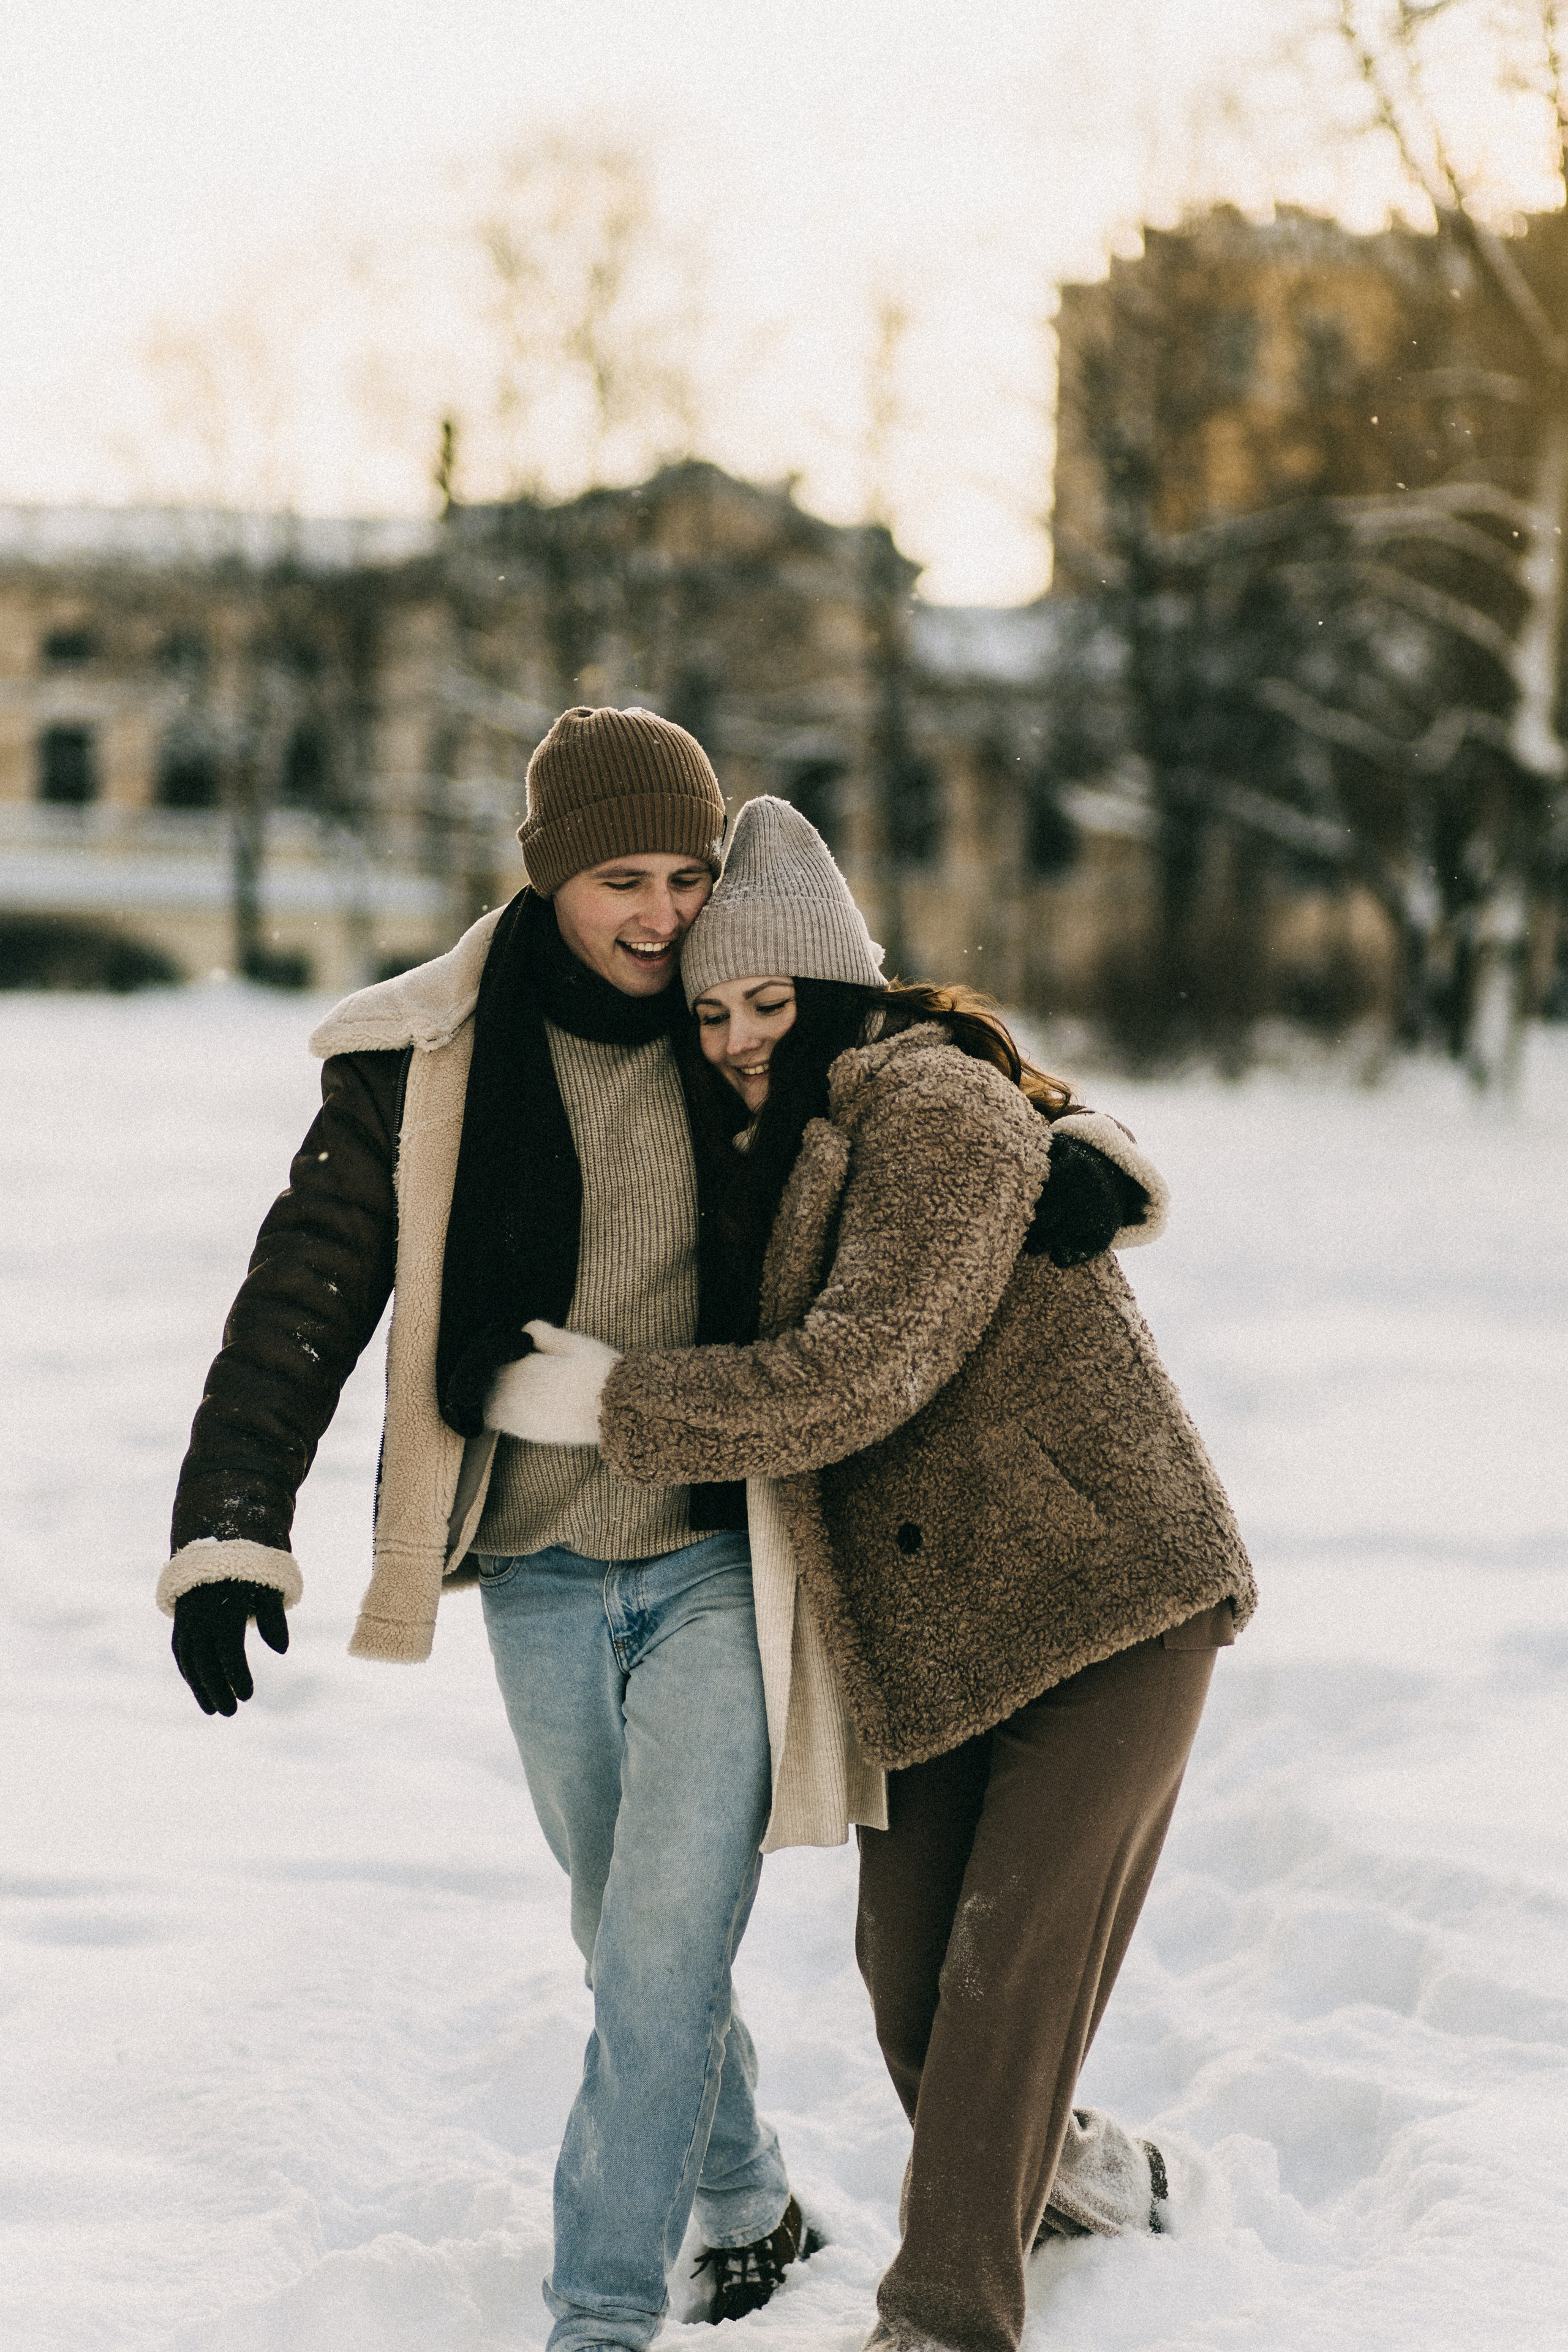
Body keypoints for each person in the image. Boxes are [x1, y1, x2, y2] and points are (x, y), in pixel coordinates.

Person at [157, 718, 1146, 2352]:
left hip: (723, 1559)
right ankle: (747, 2207)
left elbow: (925, 1065)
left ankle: (600, 2318)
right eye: (624, 881)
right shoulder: (431, 1058)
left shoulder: (736, 1024)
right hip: (534, 1569)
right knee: (627, 1938)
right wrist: (230, 1519)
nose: (665, 916)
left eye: (689, 879)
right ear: (547, 879)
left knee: (664, 1952)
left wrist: (1068, 1148)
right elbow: (308, 1285)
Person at [494, 795, 1257, 2352]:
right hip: (943, 1645)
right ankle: (1095, 2174)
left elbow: (860, 1367)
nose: (734, 1038)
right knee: (911, 1989)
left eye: (767, 1001)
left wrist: (612, 1405)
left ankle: (944, 2320)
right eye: (708, 1011)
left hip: (1106, 1600)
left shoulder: (927, 1101)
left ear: (840, 985)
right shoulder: (778, 1140)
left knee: (997, 1996)